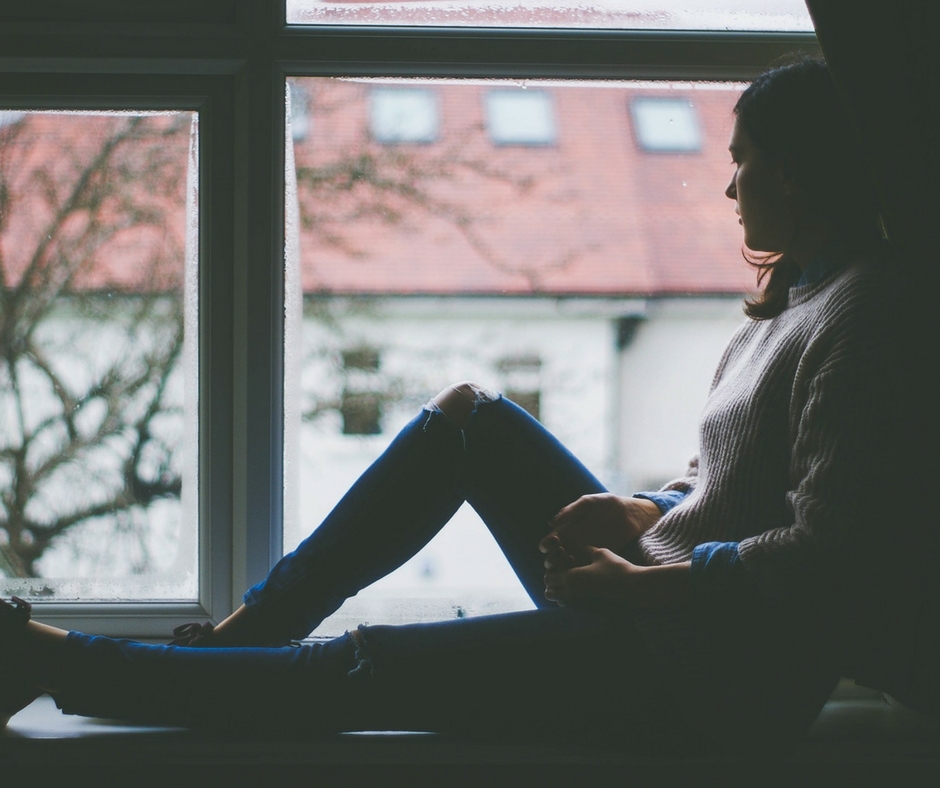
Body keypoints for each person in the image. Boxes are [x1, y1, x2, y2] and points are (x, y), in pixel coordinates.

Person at [1, 58, 932, 754]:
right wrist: (641, 510)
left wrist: (640, 584)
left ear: (798, 172)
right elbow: (726, 480)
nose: (730, 185)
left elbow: (832, 560)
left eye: (745, 161)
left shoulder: (869, 312)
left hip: (712, 681)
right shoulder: (796, 300)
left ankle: (53, 661)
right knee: (469, 418)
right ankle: (247, 633)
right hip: (662, 614)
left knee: (367, 666)